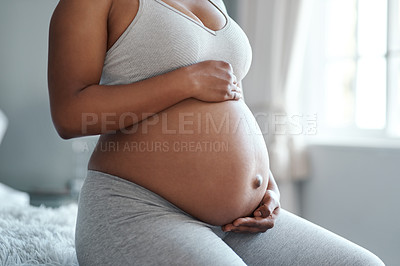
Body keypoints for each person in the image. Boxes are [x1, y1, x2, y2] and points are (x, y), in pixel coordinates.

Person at [48, 0, 385, 265]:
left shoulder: (215, 2)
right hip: (136, 209)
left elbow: (228, 95)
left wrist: (266, 184)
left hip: (239, 223)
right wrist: (185, 81)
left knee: (362, 263)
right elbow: (70, 113)